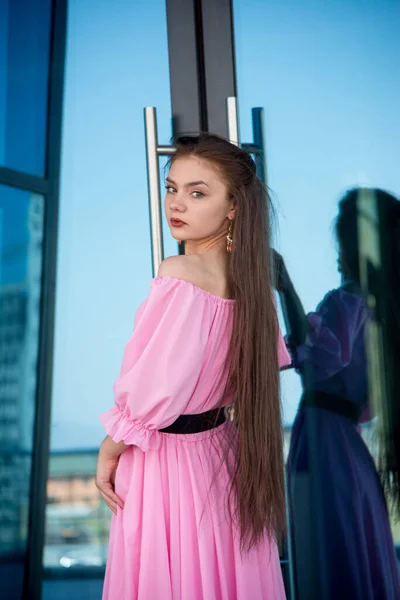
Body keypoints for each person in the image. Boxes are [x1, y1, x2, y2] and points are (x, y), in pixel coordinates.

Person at [96, 134, 291, 600]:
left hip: (167, 463)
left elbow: (153, 392)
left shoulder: (180, 274)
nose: (176, 203)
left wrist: (109, 449)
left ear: (233, 208)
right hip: (221, 457)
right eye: (171, 188)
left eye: (197, 192)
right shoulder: (253, 286)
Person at [275, 188, 400, 599]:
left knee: (327, 554)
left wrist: (284, 286)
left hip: (325, 445)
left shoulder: (347, 300)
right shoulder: (385, 311)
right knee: (349, 551)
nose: (336, 253)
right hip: (348, 448)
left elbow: (319, 356)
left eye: (342, 243)